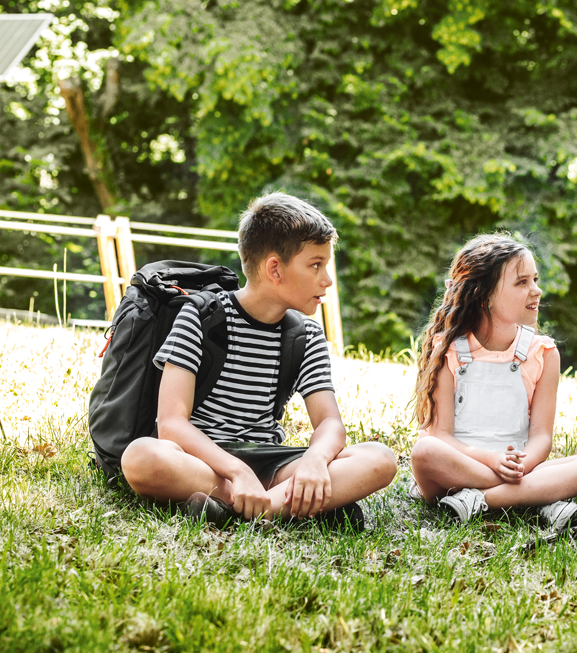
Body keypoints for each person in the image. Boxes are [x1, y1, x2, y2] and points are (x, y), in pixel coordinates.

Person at [121, 193, 398, 530]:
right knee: (141, 457)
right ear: (274, 269)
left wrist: (315, 460)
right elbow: (172, 424)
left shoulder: (307, 336)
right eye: (316, 265)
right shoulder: (200, 315)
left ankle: (240, 507)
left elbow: (329, 424)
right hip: (204, 459)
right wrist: (236, 471)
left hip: (272, 462)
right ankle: (292, 504)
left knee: (379, 459)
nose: (327, 279)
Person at [407, 234, 577, 529]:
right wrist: (493, 462)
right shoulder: (447, 349)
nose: (536, 290)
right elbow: (442, 437)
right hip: (459, 465)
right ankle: (540, 495)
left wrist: (521, 467)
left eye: (535, 280)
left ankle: (479, 501)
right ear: (484, 295)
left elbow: (541, 437)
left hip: (519, 466)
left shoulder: (543, 353)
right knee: (424, 452)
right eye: (522, 282)